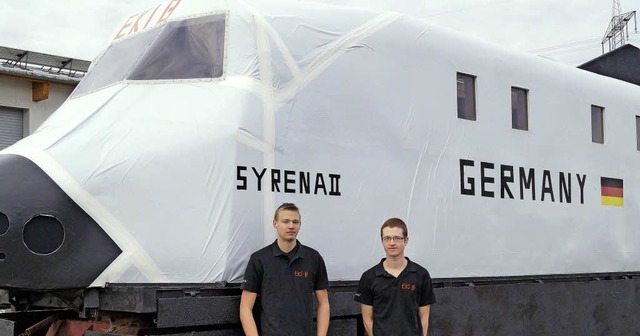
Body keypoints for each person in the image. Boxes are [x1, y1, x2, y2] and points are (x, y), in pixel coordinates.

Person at [239, 202, 330, 336]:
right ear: (275, 223)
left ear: (300, 225)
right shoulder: (259, 259)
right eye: (285, 221)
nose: (291, 226)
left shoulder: (313, 258)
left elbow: (324, 303)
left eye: (295, 222)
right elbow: (245, 307)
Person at [354, 218, 436, 336]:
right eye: (387, 238)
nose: (392, 243)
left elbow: (424, 318)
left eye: (397, 238)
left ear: (406, 240)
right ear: (382, 241)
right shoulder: (369, 277)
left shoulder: (421, 275)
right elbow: (367, 319)